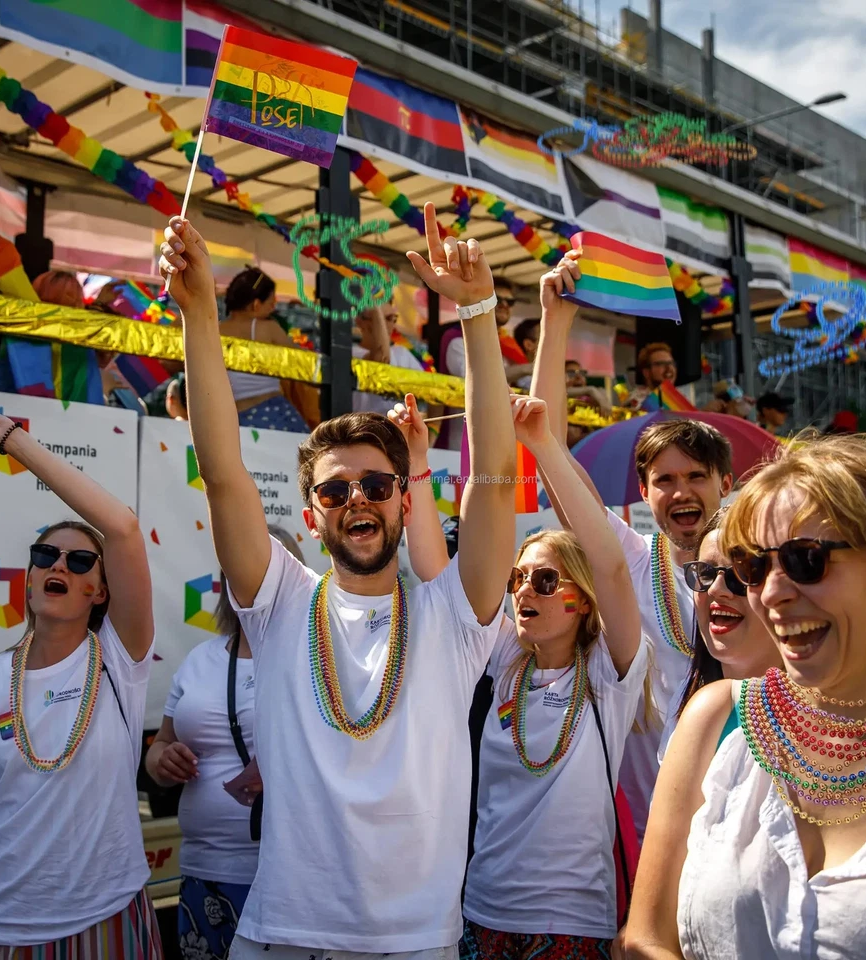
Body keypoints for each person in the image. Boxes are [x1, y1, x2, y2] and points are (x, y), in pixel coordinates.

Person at [158, 202, 517, 960]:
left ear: (405, 499)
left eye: (376, 485)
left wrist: (478, 313)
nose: (357, 498)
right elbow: (224, 478)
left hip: (416, 945)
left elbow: (493, 478)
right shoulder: (282, 602)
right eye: (334, 491)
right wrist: (199, 313)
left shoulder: (455, 615)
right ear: (313, 517)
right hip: (282, 937)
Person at [621, 433, 866, 960]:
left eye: (805, 560)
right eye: (755, 566)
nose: (770, 593)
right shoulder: (714, 718)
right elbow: (644, 939)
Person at [398, 392, 648, 959]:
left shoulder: (611, 673)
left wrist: (541, 442)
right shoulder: (508, 657)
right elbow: (438, 571)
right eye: (518, 579)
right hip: (479, 914)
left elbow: (610, 564)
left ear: (582, 601)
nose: (521, 592)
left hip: (573, 924)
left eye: (543, 582)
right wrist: (417, 460)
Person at [531, 251, 734, 844]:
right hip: (645, 840)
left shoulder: (759, 571)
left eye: (697, 476)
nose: (682, 492)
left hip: (736, 835)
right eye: (665, 480)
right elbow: (549, 455)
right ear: (644, 491)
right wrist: (555, 323)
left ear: (724, 482)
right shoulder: (628, 558)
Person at [0, 410, 159, 955]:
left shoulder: (119, 658)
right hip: (5, 923)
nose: (59, 563)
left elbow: (124, 529)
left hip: (106, 915)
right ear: (31, 576)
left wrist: (12, 441)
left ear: (100, 592)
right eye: (46, 555)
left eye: (81, 559)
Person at [146, 527, 304, 960]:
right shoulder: (201, 660)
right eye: (241, 565)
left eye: (269, 569)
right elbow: (159, 747)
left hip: (289, 880)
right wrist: (163, 760)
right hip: (202, 873)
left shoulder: (318, 658)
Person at [657, 508, 781, 761]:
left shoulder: (828, 709)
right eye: (704, 573)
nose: (716, 589)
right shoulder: (688, 699)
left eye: (741, 573)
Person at [437, 279, 531, 448]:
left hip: (500, 438)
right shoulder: (458, 339)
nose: (504, 305)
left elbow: (529, 384)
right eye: (497, 299)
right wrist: (526, 368)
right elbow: (475, 379)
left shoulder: (508, 345)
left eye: (509, 301)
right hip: (463, 442)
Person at [220, 267, 309, 433]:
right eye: (271, 302)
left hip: (229, 420)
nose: (273, 308)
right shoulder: (266, 328)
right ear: (256, 304)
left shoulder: (214, 330)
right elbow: (303, 361)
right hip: (270, 412)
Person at [352, 304, 429, 417]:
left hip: (397, 430)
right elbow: (381, 358)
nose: (390, 325)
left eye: (393, 319)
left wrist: (433, 430)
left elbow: (433, 393)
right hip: (365, 429)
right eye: (383, 319)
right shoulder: (352, 354)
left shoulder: (402, 352)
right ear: (359, 322)